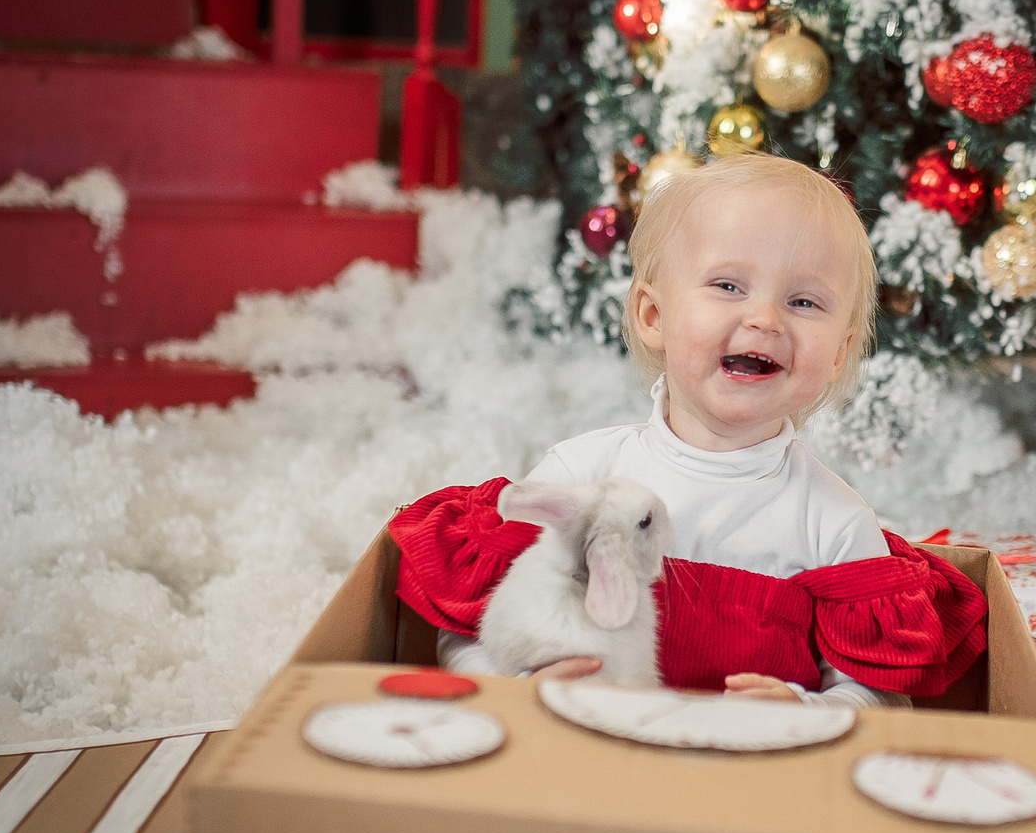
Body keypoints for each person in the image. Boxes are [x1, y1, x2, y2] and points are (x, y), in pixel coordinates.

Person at [390, 153, 986, 705]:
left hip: (739, 791)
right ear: (654, 316)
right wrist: (514, 686)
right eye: (728, 286)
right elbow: (470, 624)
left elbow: (878, 689)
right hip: (577, 758)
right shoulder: (581, 479)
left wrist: (809, 709)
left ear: (839, 354)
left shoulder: (834, 522)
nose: (763, 318)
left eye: (805, 302)